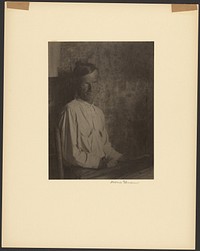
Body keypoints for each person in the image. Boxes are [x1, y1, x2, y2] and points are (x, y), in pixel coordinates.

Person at [58, 62, 123, 178]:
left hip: (102, 170)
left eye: (94, 82)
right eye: (85, 84)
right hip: (81, 173)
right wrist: (100, 163)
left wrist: (119, 157)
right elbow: (71, 154)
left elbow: (105, 146)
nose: (91, 88)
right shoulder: (71, 110)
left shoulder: (98, 113)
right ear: (77, 85)